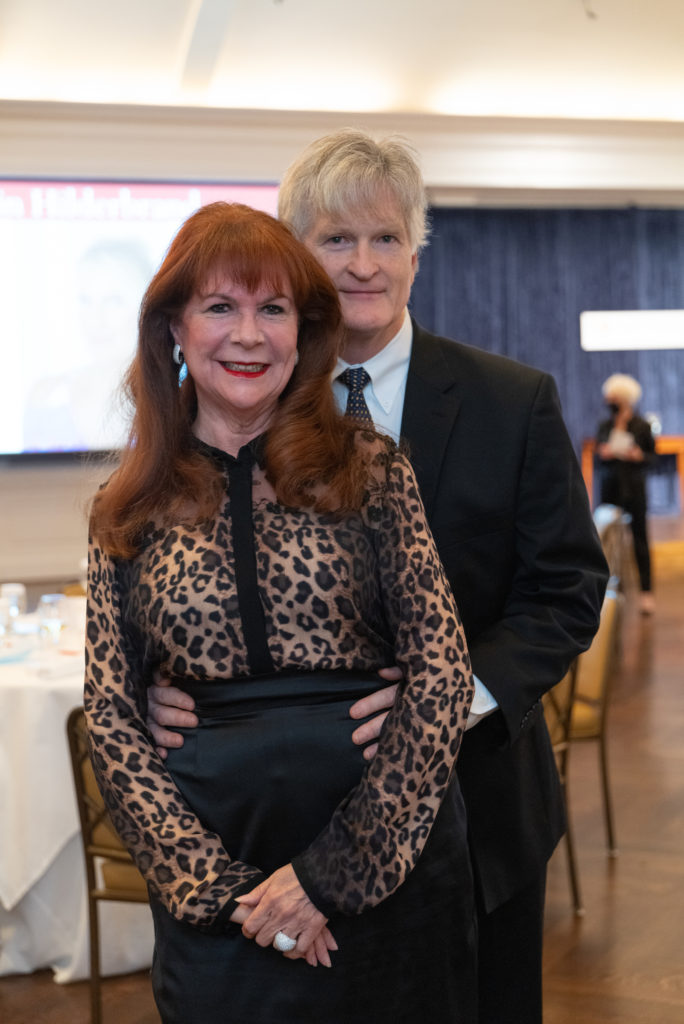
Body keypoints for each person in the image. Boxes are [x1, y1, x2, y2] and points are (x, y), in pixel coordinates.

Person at [147, 130, 609, 1024]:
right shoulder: (244, 400)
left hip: (477, 814)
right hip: (288, 832)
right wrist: (161, 683)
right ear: (298, 258)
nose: (363, 264)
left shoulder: (514, 401)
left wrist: (451, 697)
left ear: (416, 251)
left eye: (386, 238)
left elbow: (565, 590)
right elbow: (182, 583)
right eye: (334, 239)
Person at [84, 201, 478, 1024]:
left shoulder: (369, 467)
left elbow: (441, 674)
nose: (249, 335)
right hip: (219, 899)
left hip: (384, 872)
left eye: (273, 309)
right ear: (174, 329)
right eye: (221, 307)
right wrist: (227, 894)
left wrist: (331, 877)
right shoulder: (128, 503)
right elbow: (113, 721)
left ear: (305, 332)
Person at [597, 372, 656, 613]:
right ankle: (610, 593)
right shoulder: (605, 426)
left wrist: (638, 455)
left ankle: (646, 593)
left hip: (634, 490)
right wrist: (607, 451)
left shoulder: (642, 426)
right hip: (611, 490)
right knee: (608, 542)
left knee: (640, 541)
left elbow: (652, 457)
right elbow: (601, 456)